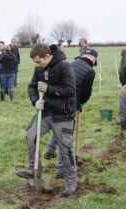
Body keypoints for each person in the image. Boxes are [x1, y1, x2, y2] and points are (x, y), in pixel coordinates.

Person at [16, 43, 78, 197]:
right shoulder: (39, 68)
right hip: (45, 112)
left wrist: (48, 89)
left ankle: (71, 180)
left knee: (65, 147)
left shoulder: (64, 66)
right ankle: (35, 171)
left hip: (63, 114)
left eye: (38, 61)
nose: (36, 65)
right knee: (31, 136)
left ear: (48, 56)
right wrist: (35, 100)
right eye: (35, 63)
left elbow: (70, 90)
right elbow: (32, 86)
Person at [44, 48, 98, 179]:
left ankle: (50, 150)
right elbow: (85, 93)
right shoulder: (90, 71)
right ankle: (63, 170)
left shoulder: (70, 64)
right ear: (94, 59)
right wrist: (80, 104)